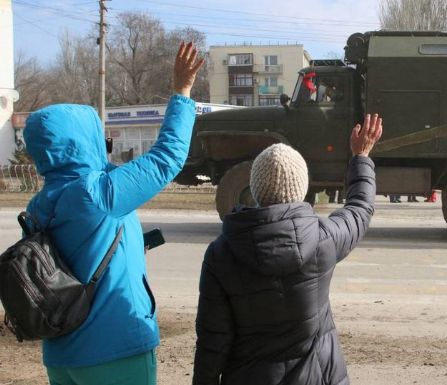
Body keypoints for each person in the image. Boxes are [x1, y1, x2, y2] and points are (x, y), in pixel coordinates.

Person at [23, 42, 204, 385]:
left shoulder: (38, 205)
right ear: (84, 141)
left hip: (61, 356)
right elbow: (167, 158)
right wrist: (182, 91)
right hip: (114, 351)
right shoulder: (95, 194)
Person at [193, 114, 383, 385]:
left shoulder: (220, 254)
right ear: (301, 188)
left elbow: (212, 343)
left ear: (255, 189)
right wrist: (361, 156)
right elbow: (360, 208)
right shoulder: (323, 239)